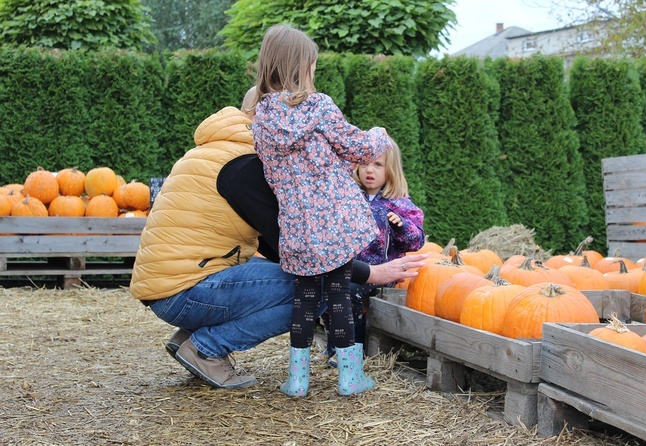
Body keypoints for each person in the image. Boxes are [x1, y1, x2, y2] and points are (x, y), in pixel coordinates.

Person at [130, 103, 427, 391]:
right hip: (183, 292)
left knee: (307, 276)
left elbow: (276, 246)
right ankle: (206, 347)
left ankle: (190, 338)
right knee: (321, 286)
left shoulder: (218, 149)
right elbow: (298, 249)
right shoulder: (243, 166)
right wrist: (370, 273)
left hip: (176, 283)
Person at [248, 24, 391, 397]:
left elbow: (284, 168)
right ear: (300, 67)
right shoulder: (318, 106)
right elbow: (357, 149)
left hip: (296, 227)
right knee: (340, 293)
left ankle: (298, 380)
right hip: (335, 224)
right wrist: (379, 133)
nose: (314, 72)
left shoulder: (261, 119)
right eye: (311, 65)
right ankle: (350, 378)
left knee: (305, 300)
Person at [321, 137, 425, 363]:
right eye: (364, 163)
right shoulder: (349, 197)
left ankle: (352, 350)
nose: (370, 170)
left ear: (390, 169)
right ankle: (334, 347)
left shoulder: (398, 203)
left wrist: (402, 225)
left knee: (347, 292)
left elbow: (416, 241)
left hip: (382, 272)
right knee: (328, 288)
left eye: (378, 165)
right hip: (351, 267)